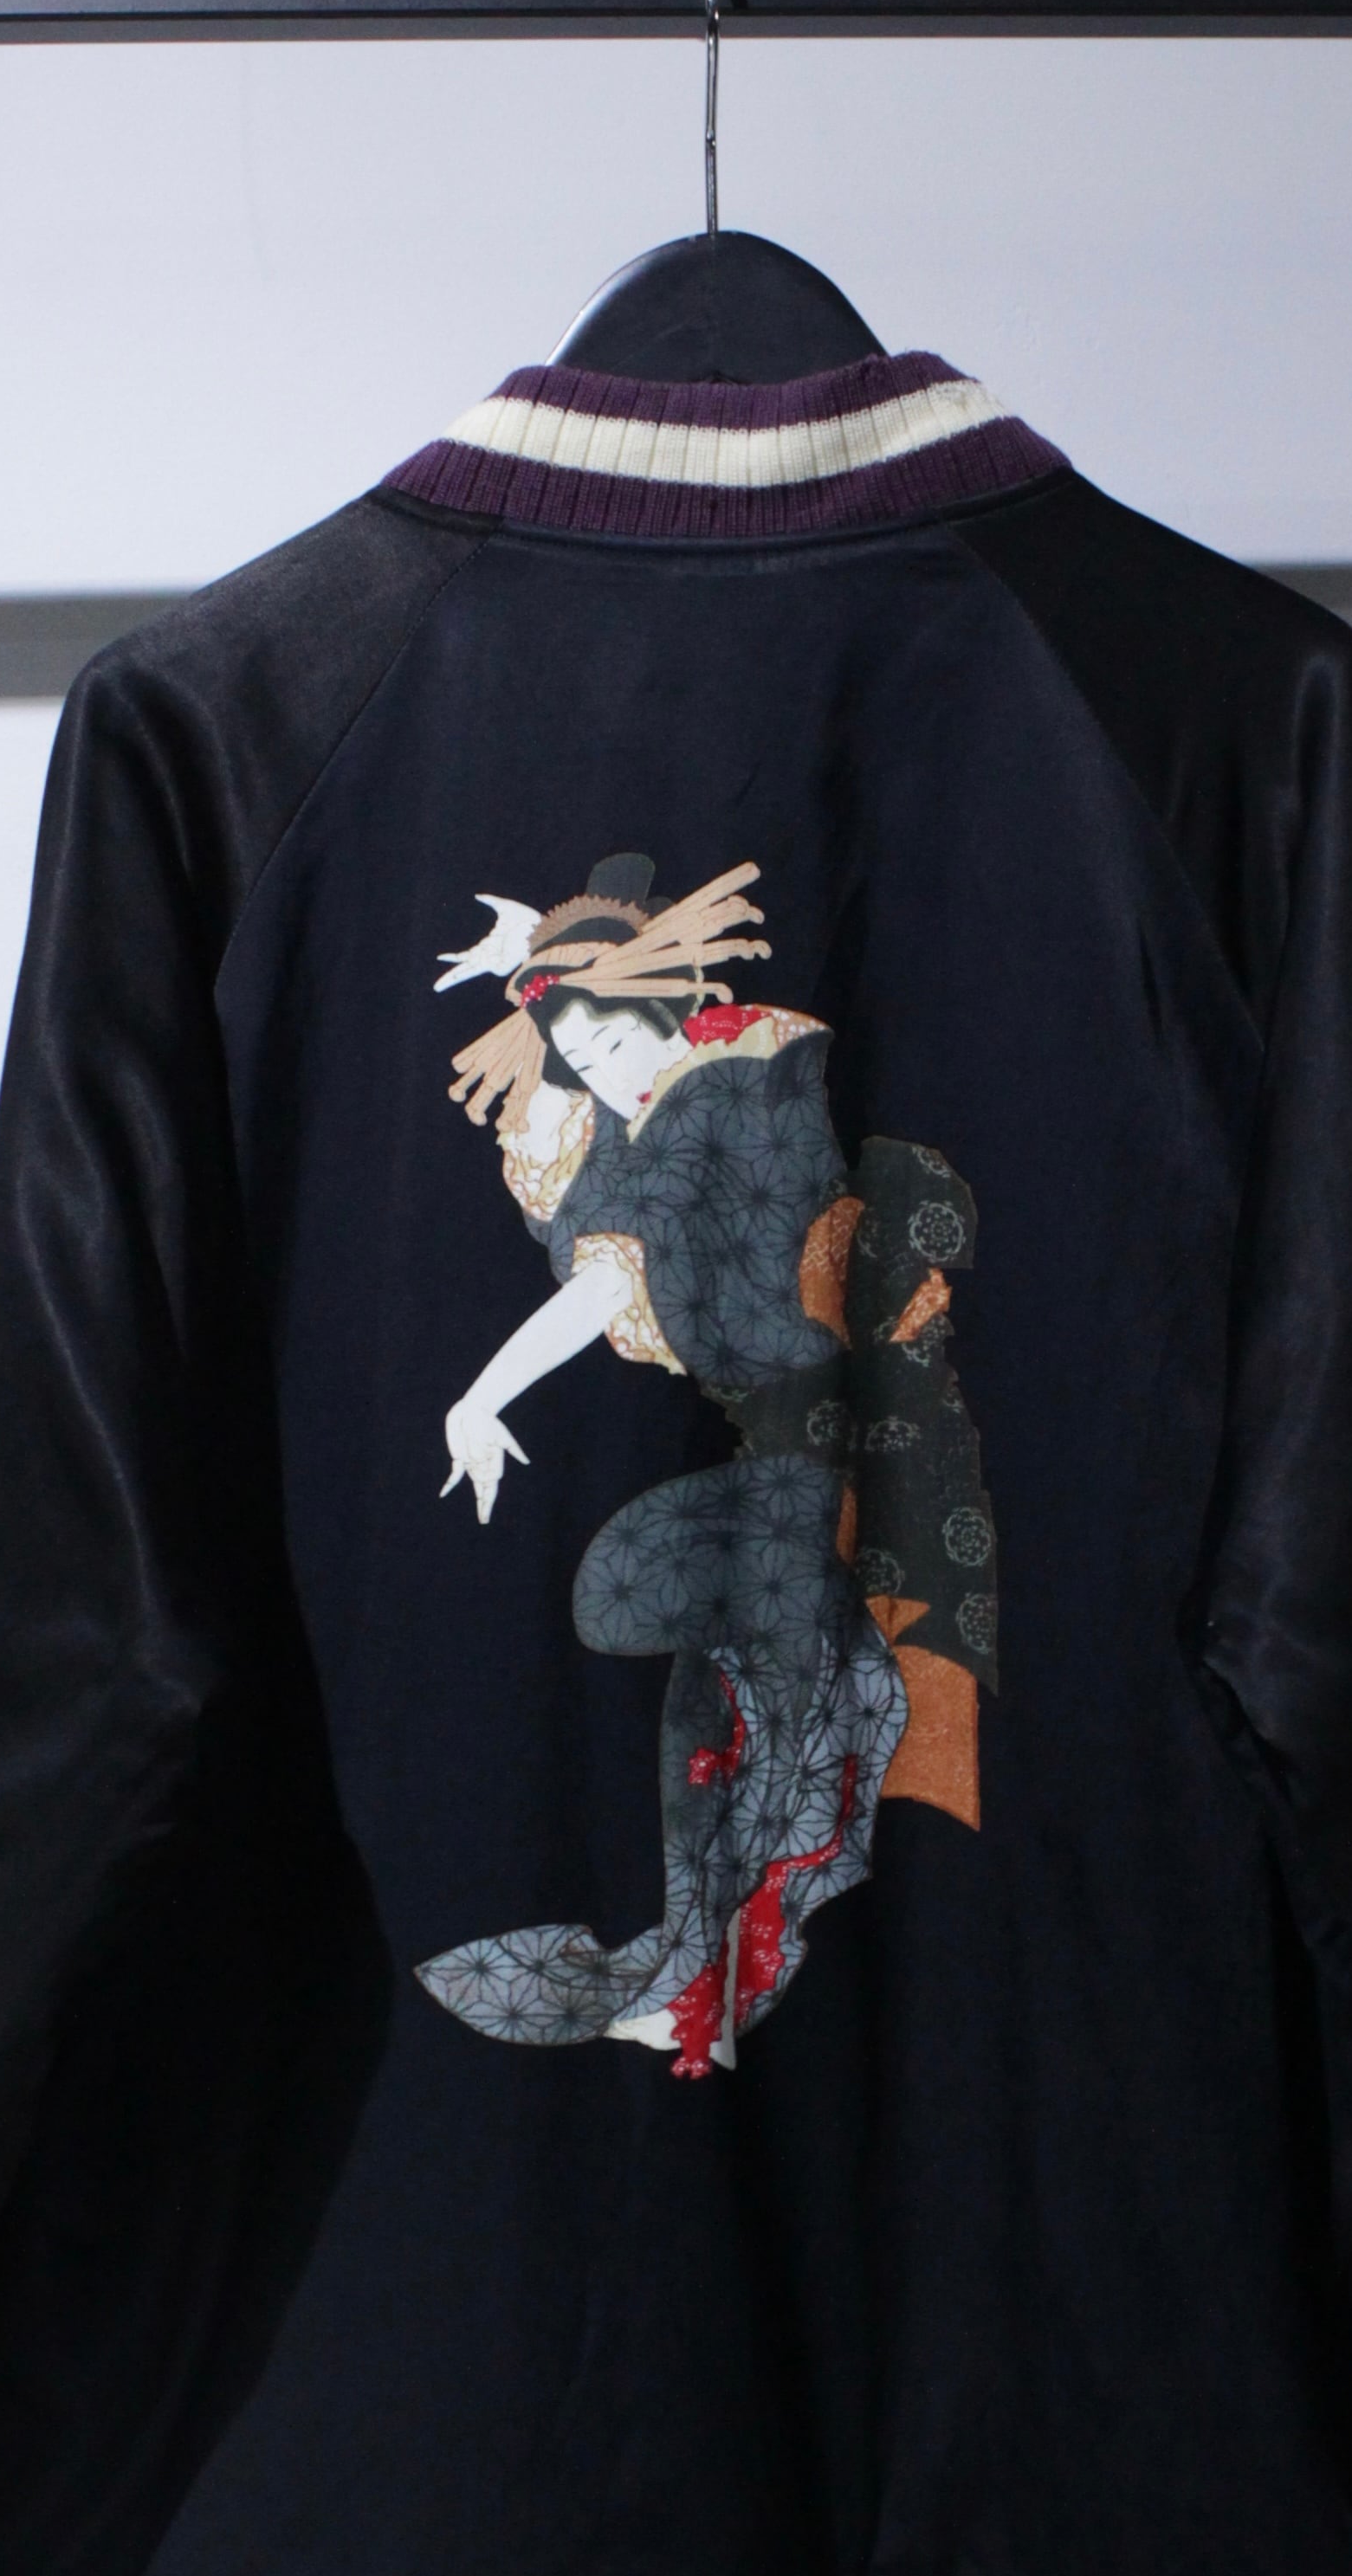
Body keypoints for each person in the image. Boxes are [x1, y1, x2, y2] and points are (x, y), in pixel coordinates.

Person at [420, 854, 993, 2076]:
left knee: (680, 1626)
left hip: (843, 1454)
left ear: (665, 1005)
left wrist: (484, 1392)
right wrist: (479, 1395)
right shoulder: (654, 1121)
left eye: (613, 1041)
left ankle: (708, 1969)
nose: (603, 1073)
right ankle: (701, 1969)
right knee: (689, 1653)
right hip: (781, 1456)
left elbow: (614, 1269)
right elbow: (601, 1269)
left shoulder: (733, 1090)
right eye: (578, 1060)